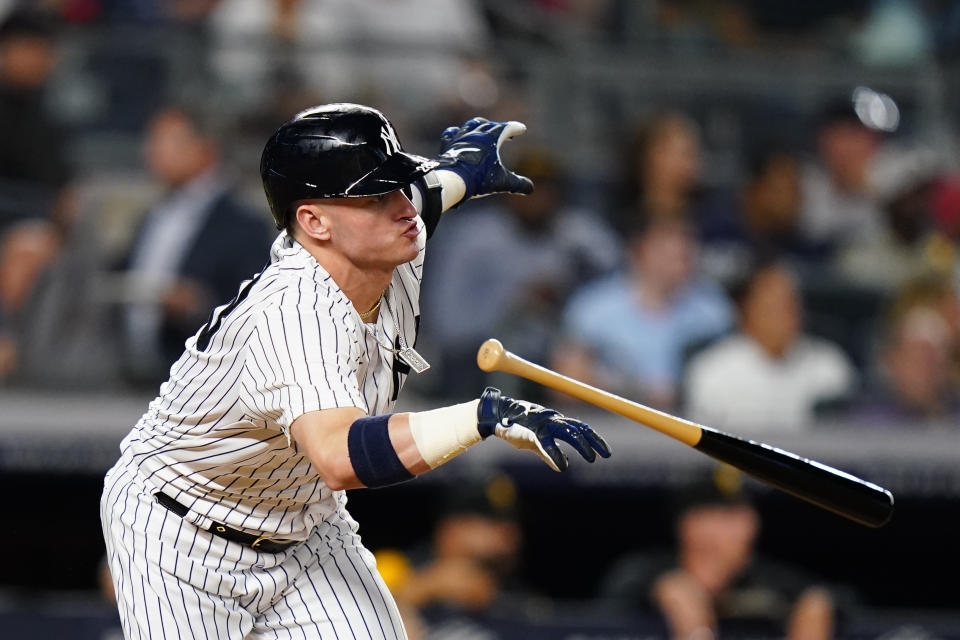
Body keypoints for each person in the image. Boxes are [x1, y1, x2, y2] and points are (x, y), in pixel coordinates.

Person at [99, 103, 611, 640]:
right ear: (313, 222)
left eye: (398, 185)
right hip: (182, 529)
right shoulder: (293, 312)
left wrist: (463, 167)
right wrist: (481, 417)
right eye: (375, 195)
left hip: (305, 524)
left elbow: (430, 191)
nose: (401, 207)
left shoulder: (383, 228)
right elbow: (341, 456)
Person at [422, 146, 622, 399]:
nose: (535, 197)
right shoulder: (473, 238)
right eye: (524, 188)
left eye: (545, 189)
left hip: (552, 359)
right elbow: (446, 324)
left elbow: (620, 276)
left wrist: (569, 292)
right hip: (477, 360)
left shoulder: (574, 234)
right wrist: (517, 302)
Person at [114, 105, 273, 385]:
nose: (152, 153)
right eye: (151, 142)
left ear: (205, 149)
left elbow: (258, 309)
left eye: (166, 142)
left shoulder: (243, 225)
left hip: (205, 384)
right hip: (134, 377)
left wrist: (198, 305)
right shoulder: (152, 217)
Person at [598, 476, 836, 639]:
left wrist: (816, 604)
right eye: (726, 515)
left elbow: (838, 601)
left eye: (744, 513)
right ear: (690, 525)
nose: (747, 526)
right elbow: (602, 612)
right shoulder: (646, 572)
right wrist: (668, 589)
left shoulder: (765, 578)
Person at [552, 216, 732, 410]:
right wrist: (631, 391)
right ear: (636, 254)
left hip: (693, 416)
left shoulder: (713, 309)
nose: (677, 262)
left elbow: (735, 369)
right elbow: (566, 381)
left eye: (684, 254)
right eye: (664, 253)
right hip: (612, 417)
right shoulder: (593, 306)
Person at [684, 256, 856, 433]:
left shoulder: (829, 364)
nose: (785, 316)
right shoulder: (712, 370)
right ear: (746, 311)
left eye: (789, 304)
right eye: (772, 306)